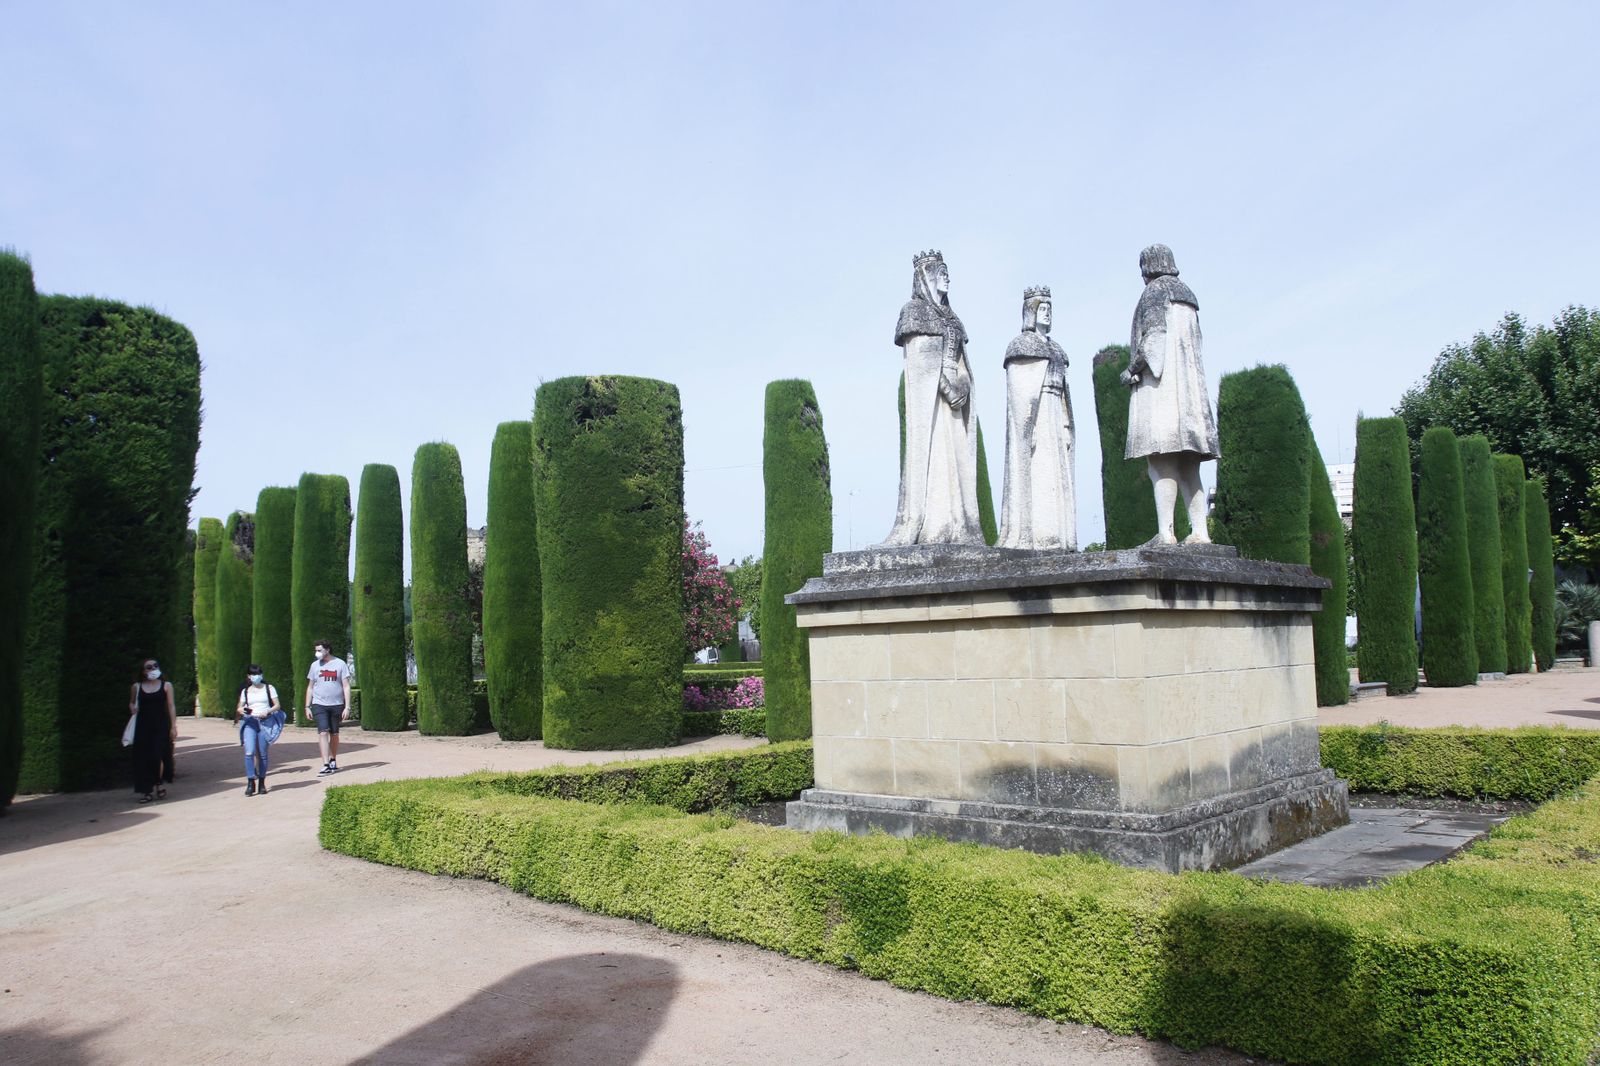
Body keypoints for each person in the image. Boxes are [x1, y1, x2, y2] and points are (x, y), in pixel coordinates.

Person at [883, 249, 984, 546]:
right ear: (925, 277)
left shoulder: (954, 321)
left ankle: (959, 526)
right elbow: (921, 365)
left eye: (947, 272)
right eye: (940, 272)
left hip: (954, 404)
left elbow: (963, 364)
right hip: (935, 404)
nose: (946, 277)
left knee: (957, 462)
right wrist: (946, 387)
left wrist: (962, 387)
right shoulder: (915, 312)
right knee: (936, 458)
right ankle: (935, 525)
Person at [1120, 244, 1219, 544]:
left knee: (1161, 463)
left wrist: (1132, 369)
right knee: (1190, 467)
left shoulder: (1154, 293)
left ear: (1148, 266)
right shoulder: (1188, 297)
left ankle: (1166, 533)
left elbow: (1154, 342)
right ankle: (1201, 532)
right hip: (1190, 397)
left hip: (1163, 395)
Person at [998, 285, 1076, 550]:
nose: (1047, 314)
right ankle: (1041, 536)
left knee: (1056, 478)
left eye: (1049, 309)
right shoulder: (1022, 346)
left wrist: (1066, 424)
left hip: (1054, 414)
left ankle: (1058, 537)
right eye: (1042, 309)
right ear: (1030, 313)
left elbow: (1064, 395)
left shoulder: (1057, 351)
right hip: (1039, 418)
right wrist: (1026, 430)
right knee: (1039, 475)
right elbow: (1021, 396)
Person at [127, 657, 177, 803]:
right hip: (143, 726)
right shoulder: (137, 687)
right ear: (143, 671)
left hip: (160, 725)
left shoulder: (166, 686)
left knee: (158, 755)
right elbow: (131, 703)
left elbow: (171, 706)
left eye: (155, 666)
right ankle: (146, 790)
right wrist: (132, 708)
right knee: (143, 758)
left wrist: (173, 726)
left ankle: (158, 782)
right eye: (149, 667)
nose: (153, 669)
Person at [305, 639, 352, 776]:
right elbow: (310, 687)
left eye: (319, 650)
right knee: (323, 732)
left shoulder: (340, 664)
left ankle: (333, 759)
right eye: (316, 650)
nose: (317, 653)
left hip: (336, 704)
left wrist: (347, 707)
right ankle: (325, 764)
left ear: (327, 650)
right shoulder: (314, 666)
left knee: (334, 734)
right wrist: (307, 706)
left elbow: (346, 686)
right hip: (319, 704)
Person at [235, 664, 281, 796]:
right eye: (254, 674)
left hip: (265, 722)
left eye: (259, 674)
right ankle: (250, 781)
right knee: (249, 752)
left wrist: (267, 711)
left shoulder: (269, 688)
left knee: (262, 754)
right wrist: (244, 711)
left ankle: (262, 781)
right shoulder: (246, 691)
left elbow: (277, 705)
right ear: (249, 676)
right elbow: (240, 707)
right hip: (250, 722)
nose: (257, 677)